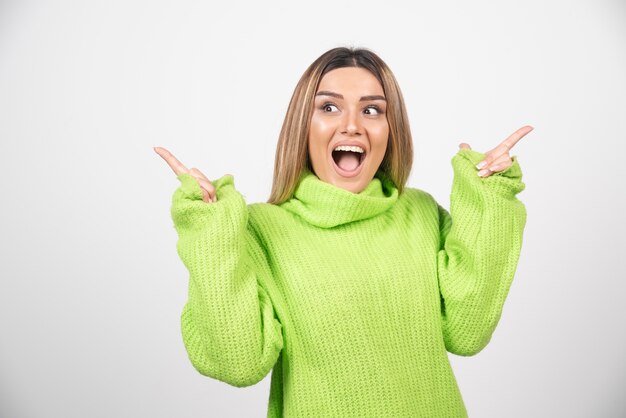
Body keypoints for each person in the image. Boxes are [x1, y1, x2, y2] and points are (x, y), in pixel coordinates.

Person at [154, 46, 532, 417]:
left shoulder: (420, 213)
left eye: (372, 110)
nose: (352, 124)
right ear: (303, 125)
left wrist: (491, 195)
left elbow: (466, 332)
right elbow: (237, 363)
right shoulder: (261, 230)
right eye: (329, 107)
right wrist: (209, 230)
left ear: (390, 130)